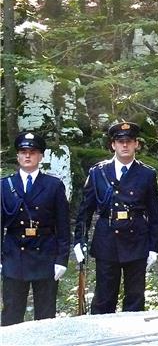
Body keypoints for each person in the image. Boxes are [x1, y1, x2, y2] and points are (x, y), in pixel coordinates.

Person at [73, 122, 158, 314]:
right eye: (120, 141)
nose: (125, 145)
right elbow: (85, 211)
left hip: (136, 239)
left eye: (129, 141)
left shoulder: (147, 174)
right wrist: (79, 240)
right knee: (103, 298)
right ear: (113, 145)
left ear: (136, 144)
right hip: (107, 239)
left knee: (135, 298)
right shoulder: (98, 172)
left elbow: (154, 214)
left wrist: (154, 247)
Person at [1, 132, 70, 326]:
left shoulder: (53, 185)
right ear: (17, 156)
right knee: (11, 314)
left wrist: (61, 260)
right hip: (15, 256)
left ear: (41, 156)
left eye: (33, 151)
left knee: (46, 317)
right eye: (23, 151)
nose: (28, 156)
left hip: (45, 254)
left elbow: (63, 226)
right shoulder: (5, 186)